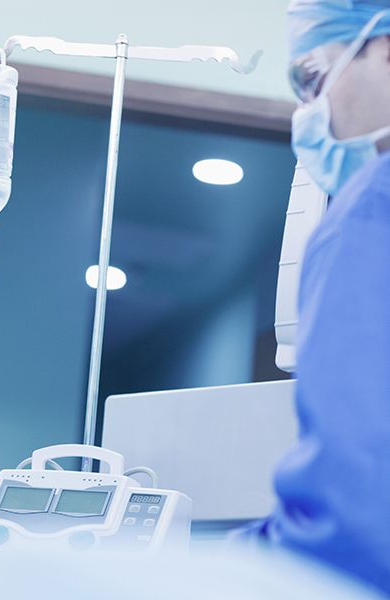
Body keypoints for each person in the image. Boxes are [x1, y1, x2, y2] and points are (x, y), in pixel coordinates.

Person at [238, 1, 390, 594]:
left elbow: (351, 530)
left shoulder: (375, 209)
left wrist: (195, 567)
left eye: (312, 79)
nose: (307, 113)